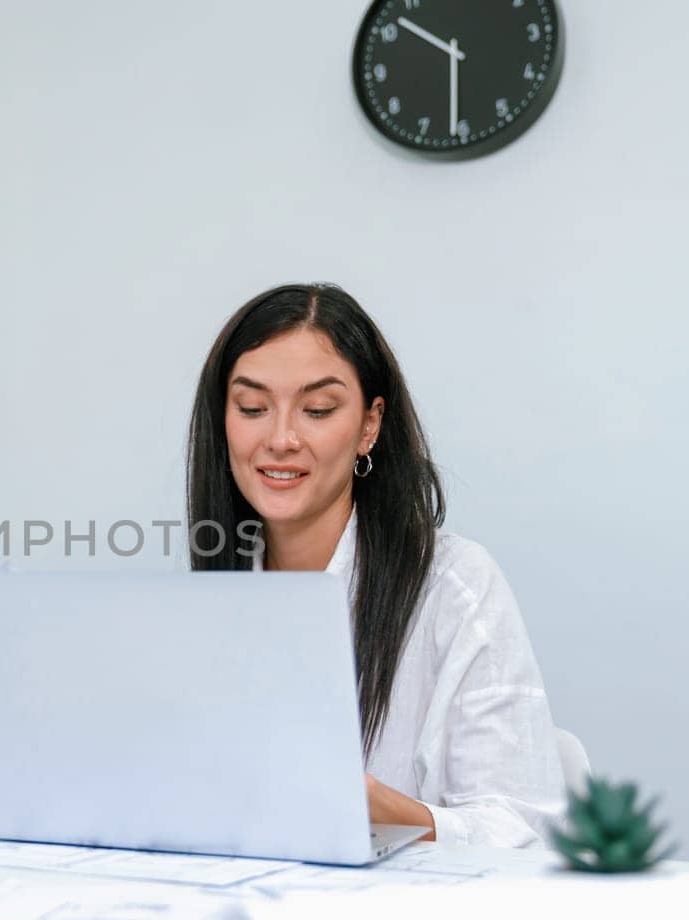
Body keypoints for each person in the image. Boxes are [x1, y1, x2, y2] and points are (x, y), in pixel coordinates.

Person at [187, 283, 566, 847]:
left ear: (369, 426)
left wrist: (372, 806)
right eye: (252, 408)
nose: (281, 438)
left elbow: (524, 827)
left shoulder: (453, 585)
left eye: (317, 410)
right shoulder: (205, 601)